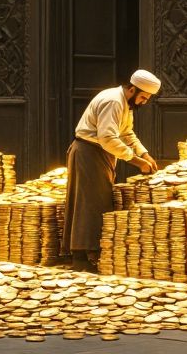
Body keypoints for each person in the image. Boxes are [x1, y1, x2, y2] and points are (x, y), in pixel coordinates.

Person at [63, 69, 161, 273]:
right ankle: (81, 258)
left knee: (96, 202)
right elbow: (108, 139)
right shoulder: (113, 101)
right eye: (143, 97)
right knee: (88, 203)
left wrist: (145, 154)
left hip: (98, 154)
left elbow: (126, 133)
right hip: (89, 153)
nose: (143, 102)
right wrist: (136, 161)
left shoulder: (125, 103)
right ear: (132, 89)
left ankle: (88, 254)